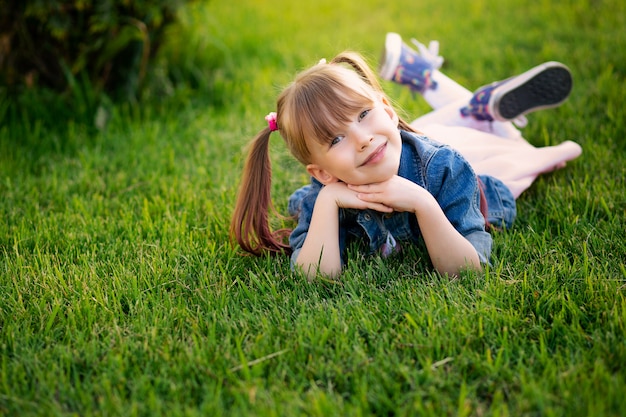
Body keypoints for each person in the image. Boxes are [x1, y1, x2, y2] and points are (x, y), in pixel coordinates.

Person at [230, 33, 582, 279]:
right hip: (410, 141)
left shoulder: (447, 169)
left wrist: (424, 203)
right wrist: (329, 201)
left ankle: (479, 110)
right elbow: (315, 277)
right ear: (322, 173)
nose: (363, 139)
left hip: (480, 183)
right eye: (336, 138)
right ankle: (462, 101)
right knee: (437, 130)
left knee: (514, 157)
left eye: (364, 114)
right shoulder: (323, 192)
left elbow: (469, 269)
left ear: (386, 108)